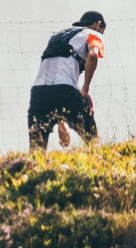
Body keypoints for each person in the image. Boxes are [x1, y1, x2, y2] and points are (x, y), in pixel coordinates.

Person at [27, 11, 106, 151]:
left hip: (39, 93)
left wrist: (61, 123)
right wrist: (85, 90)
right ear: (98, 25)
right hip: (66, 91)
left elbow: (54, 82)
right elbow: (93, 56)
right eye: (102, 30)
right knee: (93, 142)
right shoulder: (93, 34)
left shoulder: (55, 36)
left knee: (36, 151)